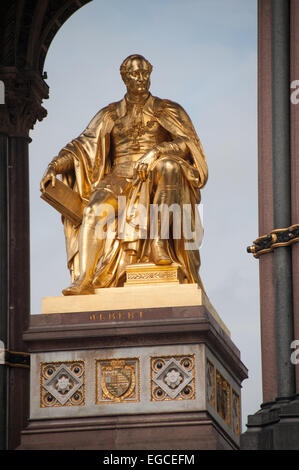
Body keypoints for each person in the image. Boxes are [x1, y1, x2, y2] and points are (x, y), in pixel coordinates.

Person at [40, 54, 208, 295]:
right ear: (125, 78)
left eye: (145, 73)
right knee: (92, 212)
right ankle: (85, 279)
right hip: (119, 177)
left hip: (154, 175)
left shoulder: (168, 109)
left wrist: (157, 152)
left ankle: (158, 243)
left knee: (169, 167)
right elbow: (82, 147)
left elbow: (188, 145)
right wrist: (54, 166)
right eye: (135, 74)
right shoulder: (109, 114)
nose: (141, 78)